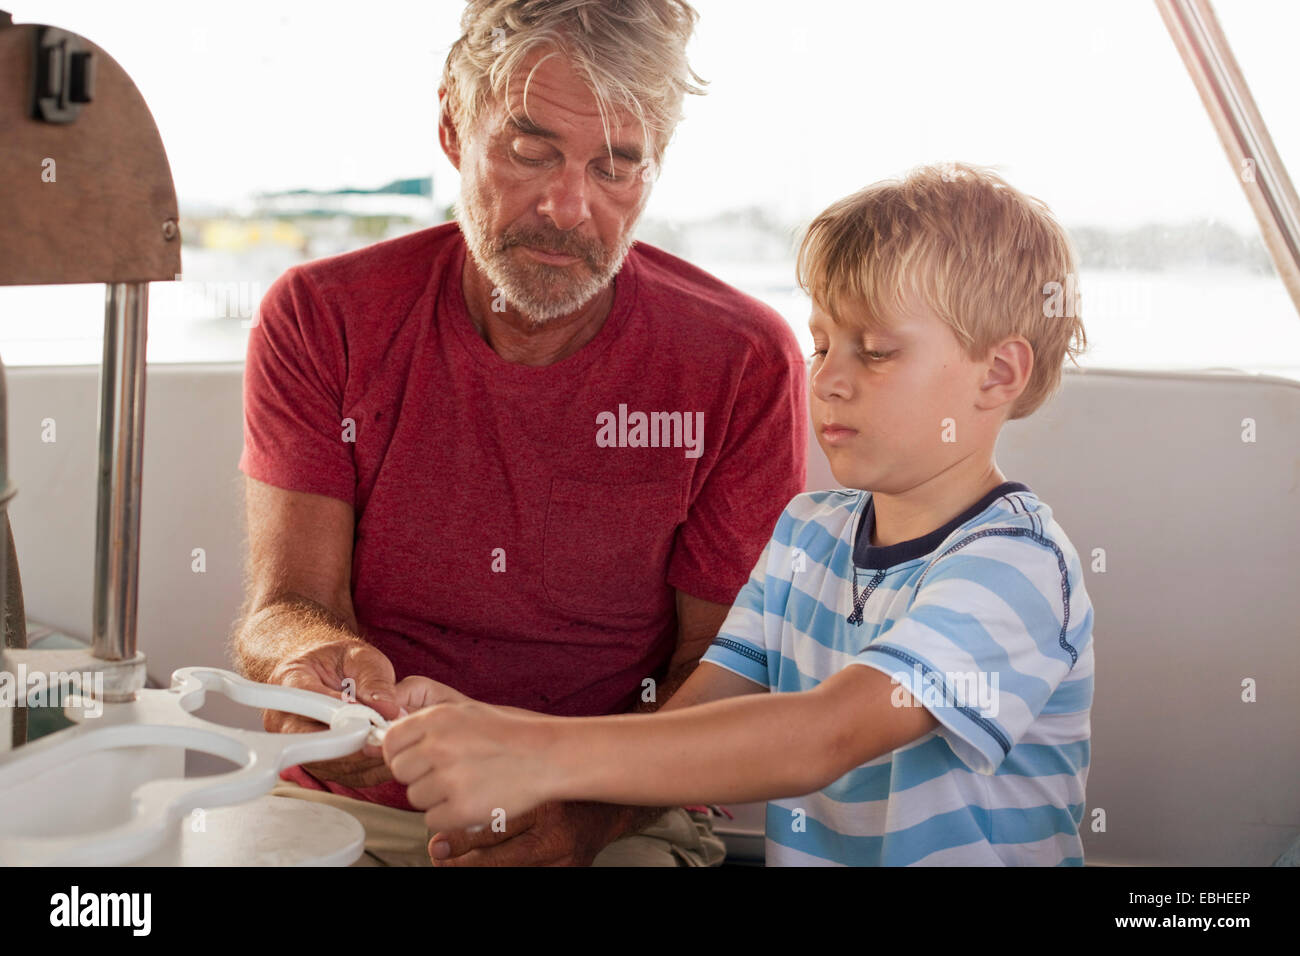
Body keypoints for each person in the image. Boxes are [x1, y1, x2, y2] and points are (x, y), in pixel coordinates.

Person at [377, 163, 1096, 866]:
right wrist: (489, 728)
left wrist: (534, 755)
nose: (829, 380)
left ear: (998, 375)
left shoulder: (1017, 565)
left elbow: (824, 737)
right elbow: (689, 728)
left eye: (875, 352)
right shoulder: (807, 533)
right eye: (820, 344)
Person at [232, 0, 807, 867]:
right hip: (349, 799)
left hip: (613, 814)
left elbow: (727, 673)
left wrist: (585, 812)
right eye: (530, 151)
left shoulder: (744, 359)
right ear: (454, 129)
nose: (568, 207)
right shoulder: (319, 318)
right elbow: (282, 608)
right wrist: (313, 664)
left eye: (616, 167)